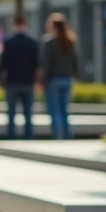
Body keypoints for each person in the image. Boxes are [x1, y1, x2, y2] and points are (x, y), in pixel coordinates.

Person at [0, 14, 38, 140]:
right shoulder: (32, 42)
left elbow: (3, 62)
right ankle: (29, 137)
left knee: (11, 112)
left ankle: (11, 136)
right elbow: (37, 63)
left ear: (14, 25)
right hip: (28, 81)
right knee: (28, 112)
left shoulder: (8, 42)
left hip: (12, 81)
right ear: (25, 24)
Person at [42, 12, 81, 140]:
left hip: (53, 79)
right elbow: (75, 61)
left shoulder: (49, 42)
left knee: (55, 110)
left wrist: (42, 80)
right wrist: (75, 75)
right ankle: (67, 135)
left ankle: (58, 136)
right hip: (67, 78)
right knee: (65, 110)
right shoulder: (70, 41)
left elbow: (47, 64)